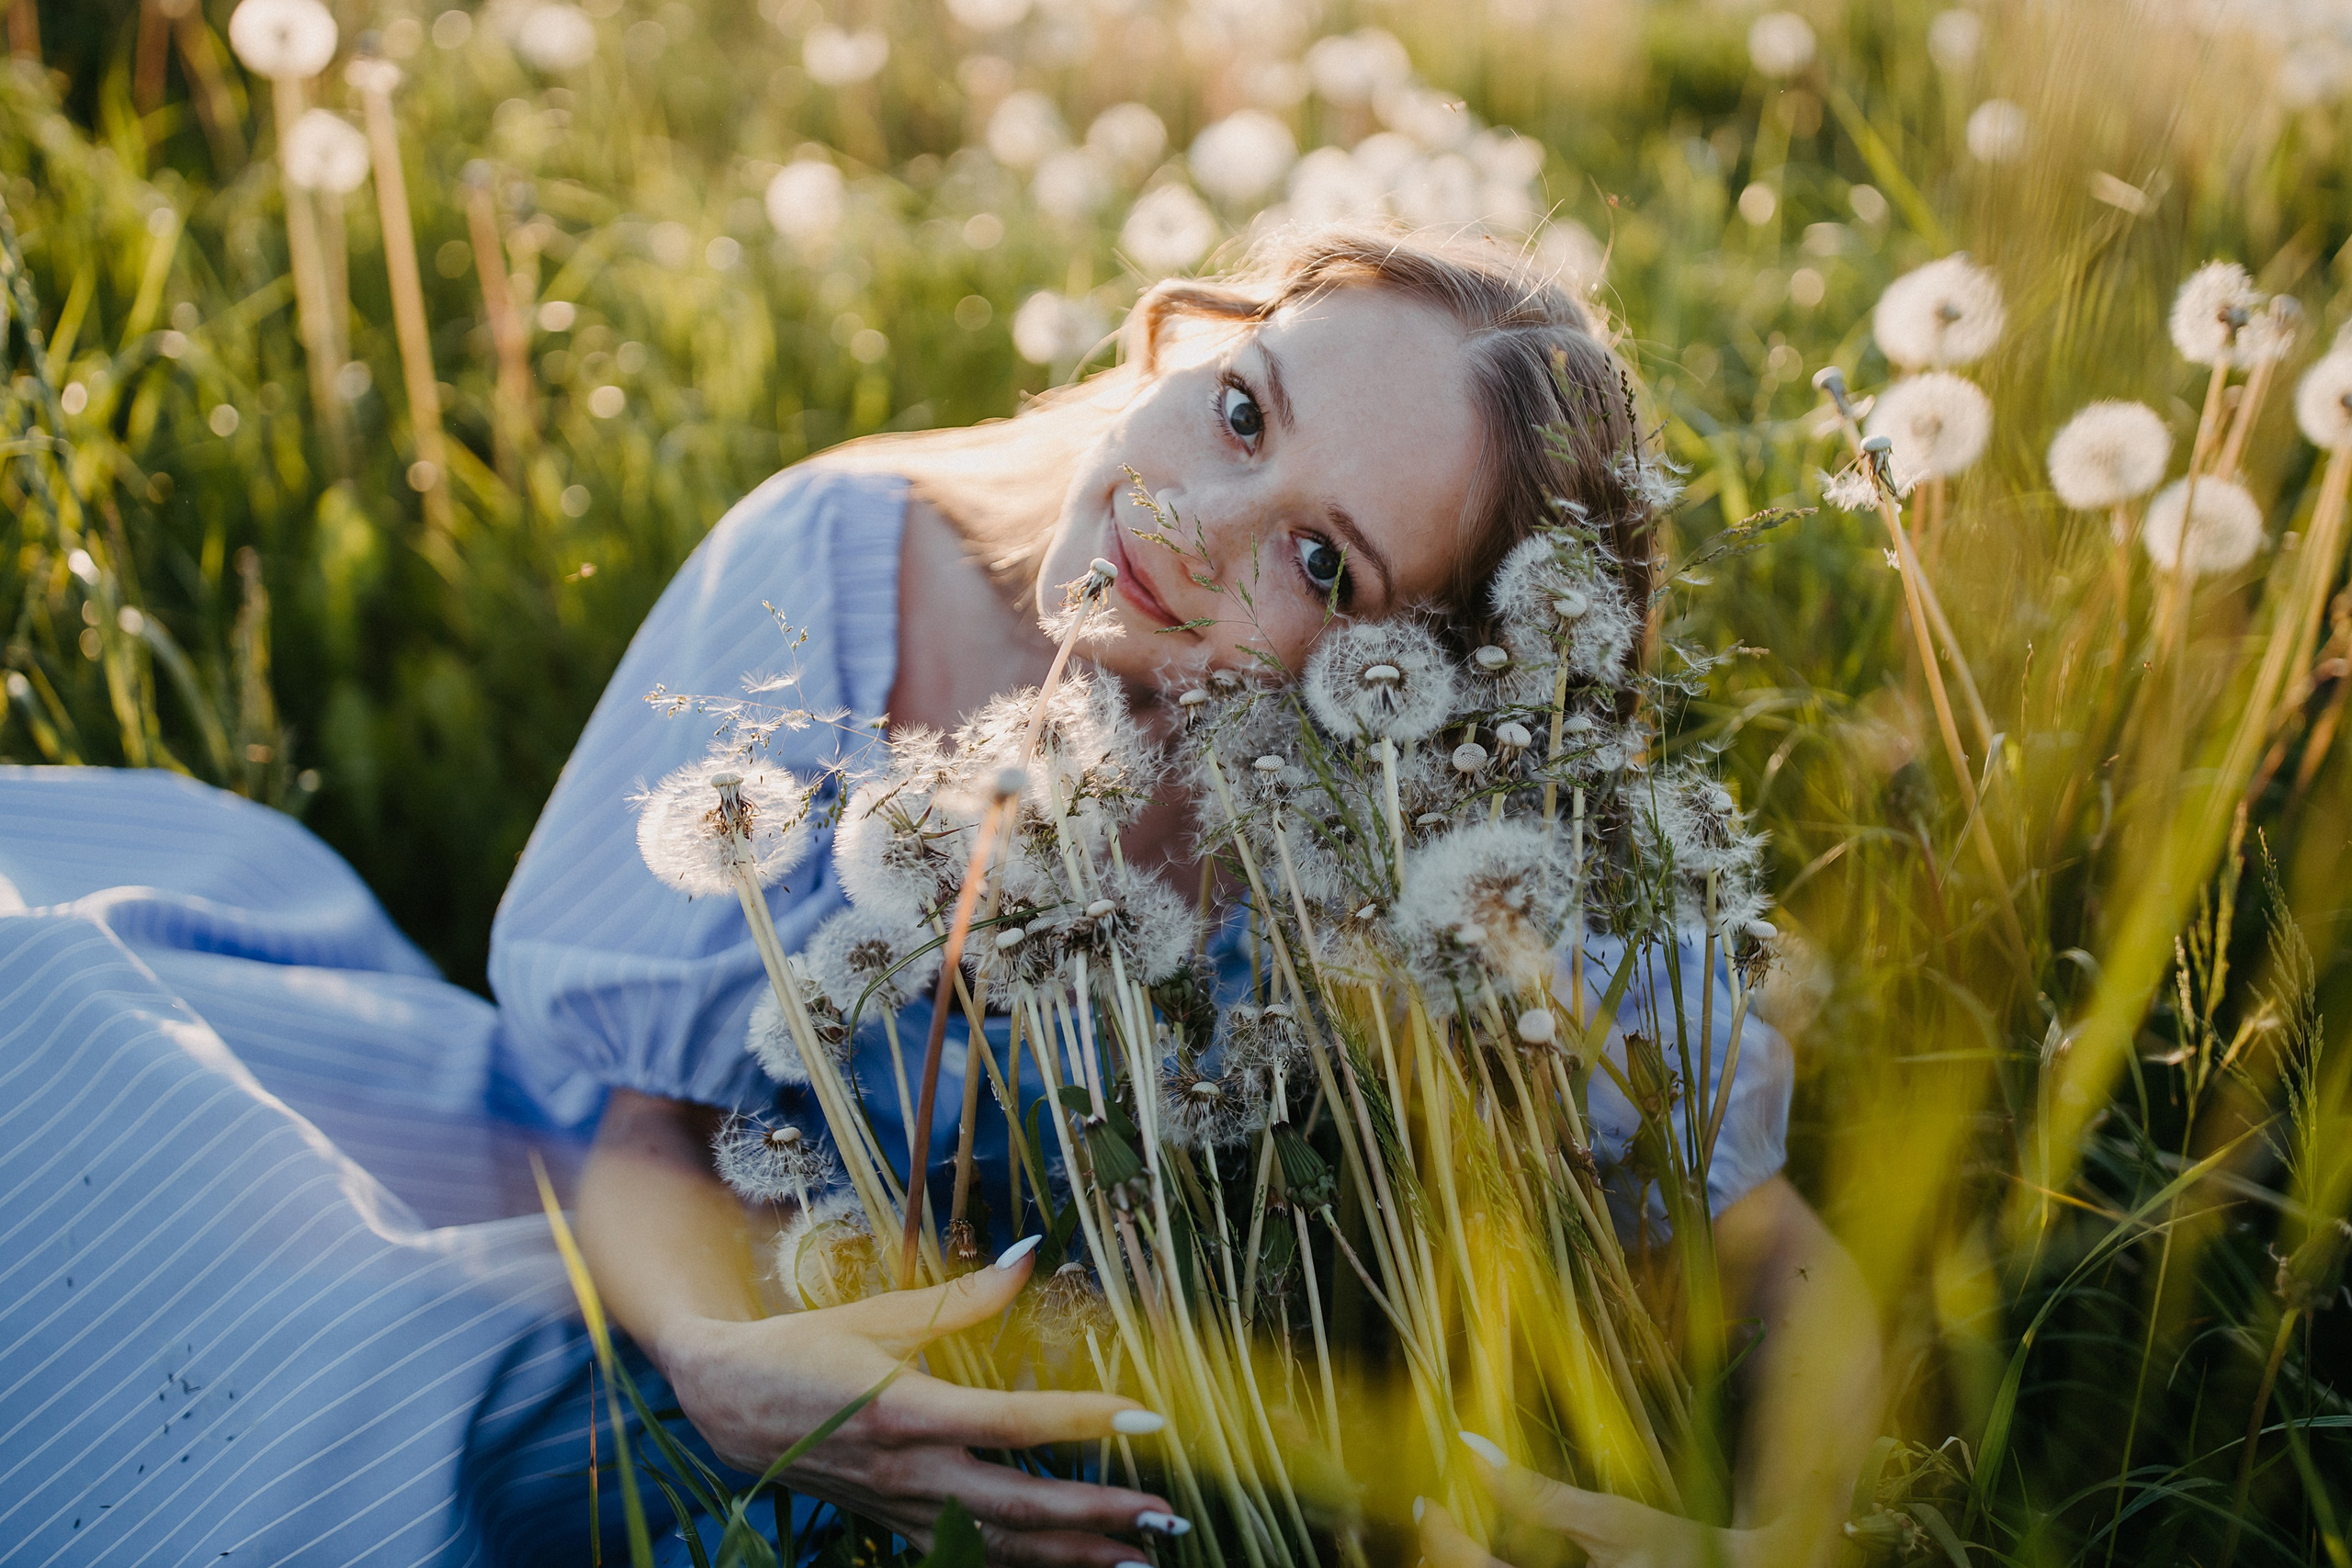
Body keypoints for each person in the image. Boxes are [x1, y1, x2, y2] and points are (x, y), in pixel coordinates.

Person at [0, 223, 1874, 1568]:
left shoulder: (1436, 873)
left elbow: (1773, 1266)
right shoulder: (837, 566)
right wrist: (722, 1365)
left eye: (1322, 560)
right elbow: (633, 1121)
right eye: (1241, 412)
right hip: (642, 1282)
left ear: (1431, 693)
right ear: (1197, 342)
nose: (1193, 519)